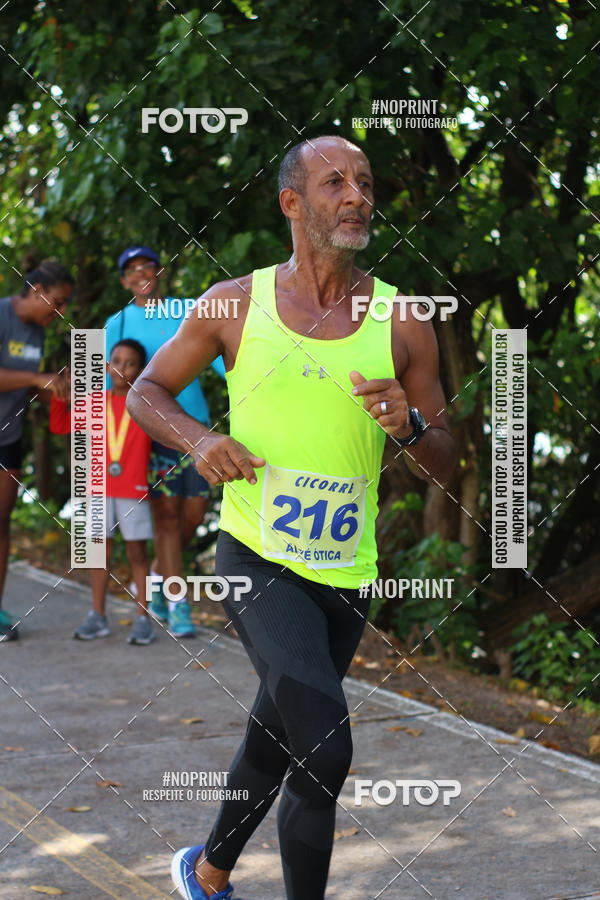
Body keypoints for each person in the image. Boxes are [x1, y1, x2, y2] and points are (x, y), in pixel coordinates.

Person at [127, 136, 457, 900]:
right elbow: (147, 391)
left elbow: (446, 460)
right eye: (335, 182)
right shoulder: (234, 304)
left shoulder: (404, 320)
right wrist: (200, 440)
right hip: (256, 555)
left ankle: (206, 873)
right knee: (325, 746)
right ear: (292, 203)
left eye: (365, 183)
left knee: (278, 731)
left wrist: (411, 427)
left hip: (347, 571)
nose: (357, 196)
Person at [105, 247, 226, 639]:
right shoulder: (117, 323)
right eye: (131, 269)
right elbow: (105, 387)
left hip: (196, 430)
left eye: (147, 266)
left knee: (194, 514)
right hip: (149, 434)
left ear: (159, 272)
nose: (140, 274)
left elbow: (223, 361)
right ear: (124, 280)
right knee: (167, 519)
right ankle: (178, 606)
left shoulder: (187, 311)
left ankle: (158, 576)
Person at [50, 339, 155, 645]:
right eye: (117, 361)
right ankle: (97, 616)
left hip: (132, 488)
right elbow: (59, 425)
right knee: (98, 554)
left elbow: (169, 434)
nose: (122, 368)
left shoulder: (146, 404)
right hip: (97, 487)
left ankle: (143, 619)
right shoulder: (94, 402)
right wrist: (62, 394)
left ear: (141, 370)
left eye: (130, 363)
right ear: (107, 366)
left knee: (137, 553)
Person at [0, 257, 74, 642]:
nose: (60, 312)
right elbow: (26, 377)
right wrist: (35, 378)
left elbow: (27, 387)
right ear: (37, 290)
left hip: (8, 437)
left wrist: (56, 390)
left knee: (2, 523)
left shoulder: (38, 333)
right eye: (57, 302)